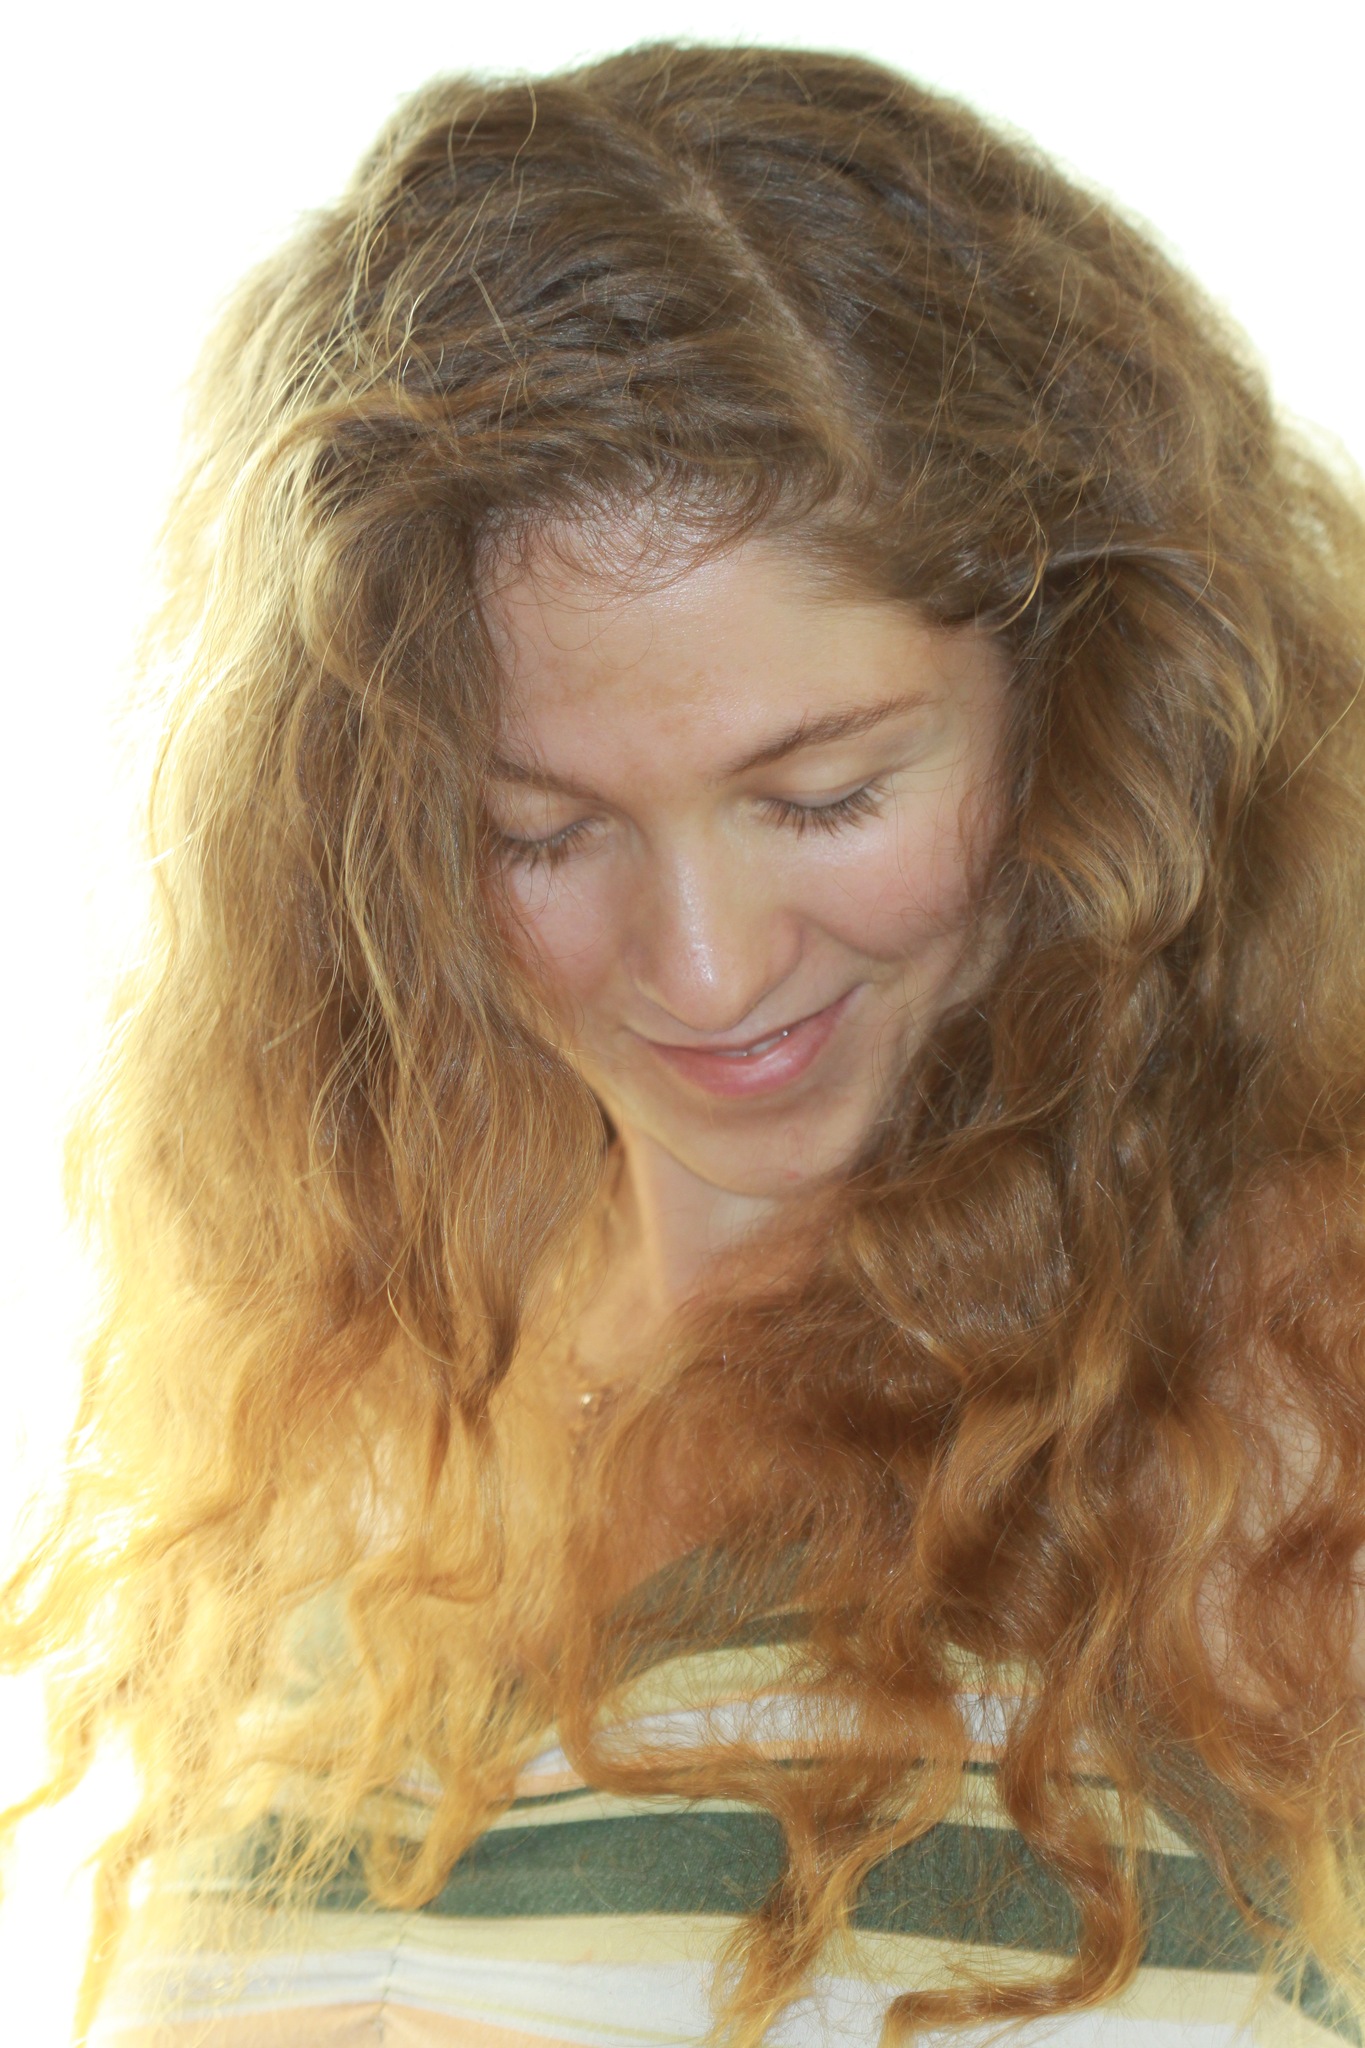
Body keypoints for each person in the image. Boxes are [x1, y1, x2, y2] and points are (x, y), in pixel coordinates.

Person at [5, 36, 1365, 2048]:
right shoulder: (337, 1393)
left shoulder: (1288, 1374)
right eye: (538, 833)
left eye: (822, 794)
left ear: (1094, 705)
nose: (707, 971)